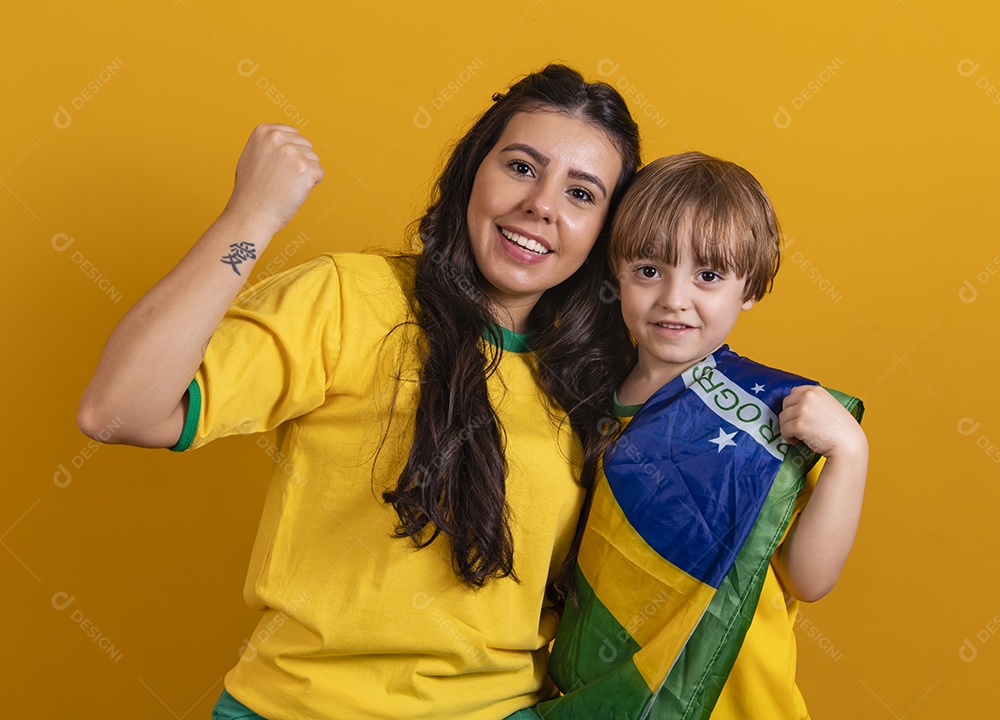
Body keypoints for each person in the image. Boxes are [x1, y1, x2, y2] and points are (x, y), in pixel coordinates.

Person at [77, 64, 641, 720]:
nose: (541, 204)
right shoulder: (349, 300)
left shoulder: (604, 378)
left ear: (605, 231)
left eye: (581, 193)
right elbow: (118, 409)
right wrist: (250, 217)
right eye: (521, 167)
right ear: (472, 172)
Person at [533, 152, 868, 719]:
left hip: (741, 705)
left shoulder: (769, 415)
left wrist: (850, 453)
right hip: (612, 697)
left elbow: (807, 580)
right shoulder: (583, 400)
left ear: (750, 287)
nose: (674, 298)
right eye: (648, 270)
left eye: (708, 276)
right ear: (616, 273)